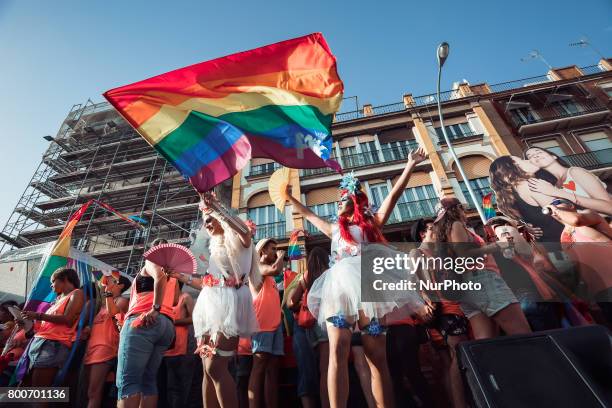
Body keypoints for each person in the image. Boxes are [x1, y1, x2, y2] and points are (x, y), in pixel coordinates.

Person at [287, 147, 428, 408]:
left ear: (354, 199)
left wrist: (410, 165)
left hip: (369, 287)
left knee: (377, 357)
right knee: (337, 352)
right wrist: (288, 198)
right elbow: (307, 214)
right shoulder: (333, 229)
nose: (337, 203)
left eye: (342, 198)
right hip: (339, 288)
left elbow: (393, 195)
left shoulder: (372, 223)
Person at [172, 192, 260, 408]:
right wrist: (179, 276)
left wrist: (217, 207)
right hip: (209, 306)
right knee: (206, 370)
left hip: (230, 305)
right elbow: (208, 282)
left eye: (210, 219)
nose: (207, 224)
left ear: (220, 218)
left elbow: (244, 231)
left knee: (215, 367)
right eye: (205, 222)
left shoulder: (241, 240)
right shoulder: (214, 247)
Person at [433, 197, 532, 340]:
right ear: (457, 208)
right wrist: (498, 245)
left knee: (486, 341)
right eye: (463, 208)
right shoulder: (456, 225)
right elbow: (465, 256)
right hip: (483, 281)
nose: (465, 211)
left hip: (468, 288)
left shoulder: (446, 232)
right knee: (522, 333)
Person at [409, 218, 466, 408]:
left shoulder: (440, 253)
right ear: (422, 234)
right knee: (458, 355)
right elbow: (412, 283)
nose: (436, 232)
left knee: (449, 361)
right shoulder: (416, 252)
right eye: (432, 229)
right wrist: (423, 305)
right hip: (443, 311)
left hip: (451, 308)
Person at [115, 238, 178, 408]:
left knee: (128, 381)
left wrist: (155, 308)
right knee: (148, 381)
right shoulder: (173, 273)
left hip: (144, 321)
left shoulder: (153, 260)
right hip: (166, 325)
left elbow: (159, 277)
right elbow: (175, 300)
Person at [544, 199, 612, 323]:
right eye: (551, 206)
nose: (552, 207)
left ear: (570, 205)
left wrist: (555, 209)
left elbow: (576, 220)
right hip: (601, 292)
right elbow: (580, 267)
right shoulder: (564, 237)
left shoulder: (588, 215)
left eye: (556, 203)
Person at [20, 268, 84, 388]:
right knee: (26, 387)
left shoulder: (77, 293)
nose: (51, 285)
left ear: (64, 279)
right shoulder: (58, 300)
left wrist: (38, 315)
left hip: (53, 345)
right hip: (39, 343)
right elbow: (45, 326)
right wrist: (26, 324)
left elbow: (68, 320)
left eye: (53, 281)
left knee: (39, 392)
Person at [489, 156, 565, 242]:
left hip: (549, 244)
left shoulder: (511, 195)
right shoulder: (530, 185)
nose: (528, 161)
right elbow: (564, 216)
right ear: (513, 168)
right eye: (521, 160)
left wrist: (526, 226)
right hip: (567, 240)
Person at [83, 274, 130, 408]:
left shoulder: (121, 300)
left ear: (120, 285)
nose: (105, 283)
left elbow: (112, 312)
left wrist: (108, 293)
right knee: (91, 392)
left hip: (105, 349)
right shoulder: (102, 306)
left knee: (93, 393)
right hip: (91, 350)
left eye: (110, 281)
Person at [248, 238, 285, 408]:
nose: (275, 251)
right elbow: (276, 269)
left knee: (272, 371)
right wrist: (281, 256)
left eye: (276, 249)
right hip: (262, 326)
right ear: (262, 251)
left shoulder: (268, 276)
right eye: (272, 249)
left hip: (275, 327)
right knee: (259, 368)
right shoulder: (258, 268)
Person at [524, 147, 612, 215]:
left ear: (553, 156)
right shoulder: (551, 187)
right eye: (530, 156)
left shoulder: (575, 172)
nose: (535, 155)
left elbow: (609, 207)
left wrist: (558, 192)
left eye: (538, 152)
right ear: (531, 164)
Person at [162, 281, 196, 408]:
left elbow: (194, 318)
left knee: (183, 386)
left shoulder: (185, 297)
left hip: (183, 349)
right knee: (171, 387)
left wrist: (173, 321)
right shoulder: (164, 301)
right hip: (167, 350)